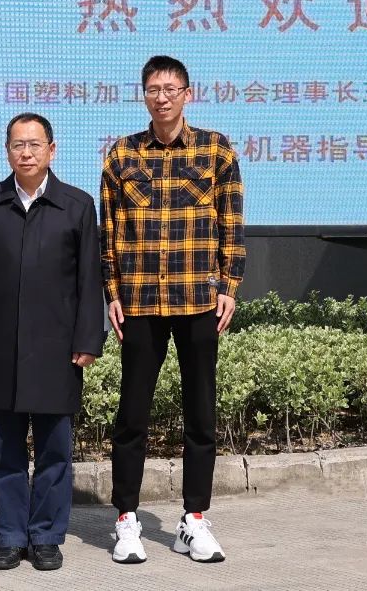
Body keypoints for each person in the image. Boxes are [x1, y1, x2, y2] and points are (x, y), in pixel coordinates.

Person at [101, 56, 245, 564]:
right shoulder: (123, 153)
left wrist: (230, 285)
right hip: (140, 301)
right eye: (152, 89)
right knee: (132, 415)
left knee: (200, 414)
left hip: (199, 299)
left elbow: (232, 221)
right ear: (143, 95)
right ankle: (126, 520)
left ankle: (194, 520)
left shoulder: (216, 149)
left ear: (187, 93)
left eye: (170, 88)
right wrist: (111, 291)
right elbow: (109, 231)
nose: (161, 97)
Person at [0, 112, 105, 572]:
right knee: (3, 452)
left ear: (51, 150)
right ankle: (9, 535)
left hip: (57, 351)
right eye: (18, 145)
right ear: (7, 152)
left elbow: (89, 280)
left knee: (55, 451)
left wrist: (88, 339)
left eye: (35, 144)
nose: (26, 152)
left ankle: (45, 536)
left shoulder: (77, 205)